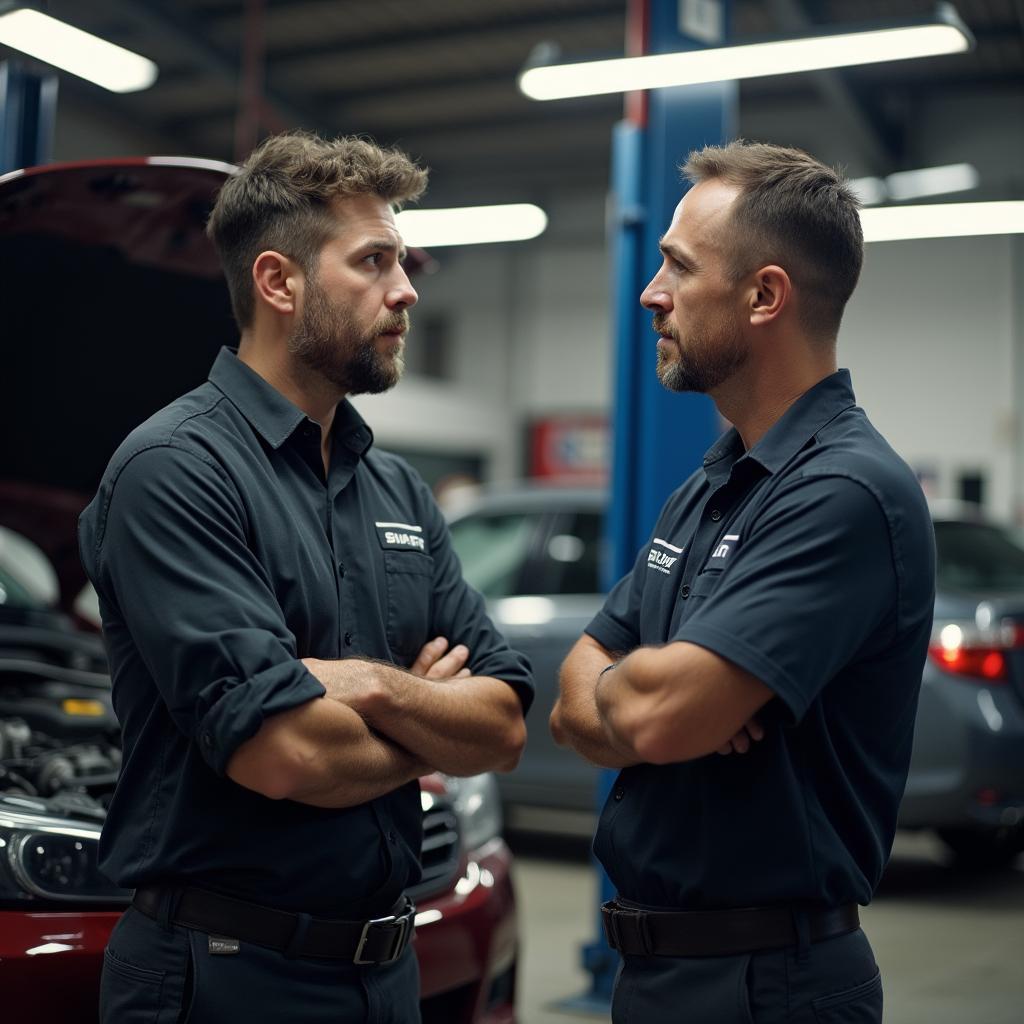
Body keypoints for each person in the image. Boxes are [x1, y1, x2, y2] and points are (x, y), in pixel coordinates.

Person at [79, 131, 533, 1024]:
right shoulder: (175, 471)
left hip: (386, 970)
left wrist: (362, 685)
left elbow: (506, 725)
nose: (406, 291)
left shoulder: (395, 487)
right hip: (223, 977)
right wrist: (429, 723)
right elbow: (285, 754)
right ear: (279, 283)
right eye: (373, 261)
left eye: (402, 262)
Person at [550, 141, 935, 1023]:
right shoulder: (714, 480)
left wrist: (654, 697)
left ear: (764, 295)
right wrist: (653, 691)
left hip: (768, 986)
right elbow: (576, 702)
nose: (652, 293)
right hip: (662, 974)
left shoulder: (845, 492)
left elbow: (652, 712)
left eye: (678, 267)